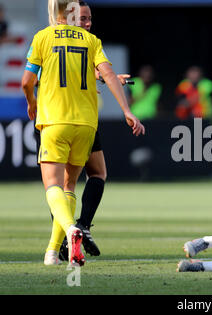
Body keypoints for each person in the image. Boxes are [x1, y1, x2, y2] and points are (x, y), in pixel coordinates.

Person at [22, 0, 145, 267]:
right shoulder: (90, 41)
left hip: (56, 120)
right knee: (72, 184)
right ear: (70, 16)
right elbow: (104, 72)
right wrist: (126, 109)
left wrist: (31, 102)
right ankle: (54, 251)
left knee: (53, 185)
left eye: (89, 19)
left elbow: (27, 81)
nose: (87, 23)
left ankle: (71, 230)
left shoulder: (44, 37)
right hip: (86, 123)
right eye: (83, 17)